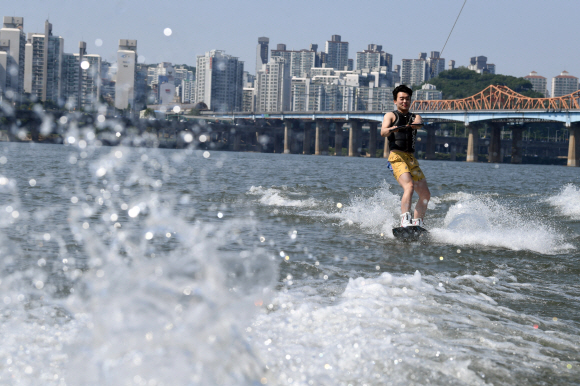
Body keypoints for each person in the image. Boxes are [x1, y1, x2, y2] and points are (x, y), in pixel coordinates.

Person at [380, 85, 431, 228]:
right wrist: (393, 128)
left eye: (407, 99)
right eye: (401, 99)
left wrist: (414, 124)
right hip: (396, 157)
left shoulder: (415, 117)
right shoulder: (390, 115)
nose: (405, 101)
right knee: (409, 186)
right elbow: (383, 132)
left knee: (426, 194)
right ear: (395, 101)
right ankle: (405, 221)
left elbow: (418, 124)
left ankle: (418, 223)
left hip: (411, 159)